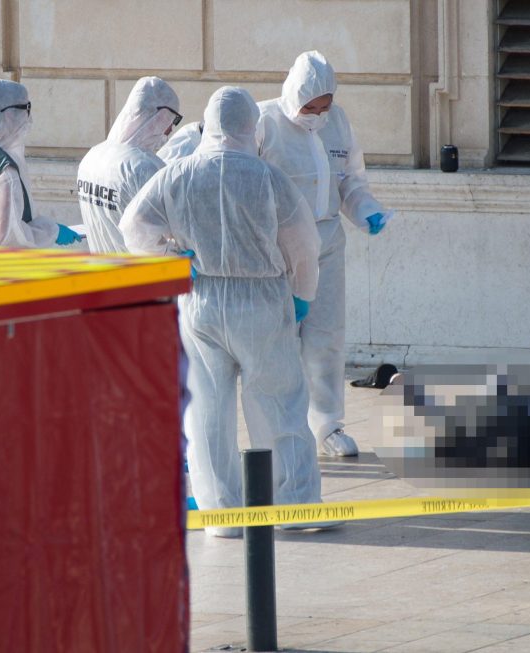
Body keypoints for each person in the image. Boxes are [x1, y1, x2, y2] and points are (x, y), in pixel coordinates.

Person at [120, 86, 326, 538]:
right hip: (263, 301)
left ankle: (223, 517)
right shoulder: (268, 177)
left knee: (208, 412)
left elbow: (133, 224)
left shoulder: (179, 173)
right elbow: (305, 248)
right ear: (251, 125)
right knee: (280, 405)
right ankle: (294, 506)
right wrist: (302, 295)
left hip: (201, 299)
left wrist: (170, 257)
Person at [256, 50, 393, 457]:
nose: (316, 114)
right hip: (277, 247)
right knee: (277, 339)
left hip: (327, 241)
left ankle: (327, 426)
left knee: (326, 336)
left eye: (323, 106)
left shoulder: (338, 123)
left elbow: (350, 179)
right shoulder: (264, 122)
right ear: (292, 95)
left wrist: (366, 211)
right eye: (309, 107)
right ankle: (282, 425)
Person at [0, 79, 81, 247]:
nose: (29, 117)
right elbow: (9, 239)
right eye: (26, 108)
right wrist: (52, 233)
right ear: (8, 114)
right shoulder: (4, 172)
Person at [76, 77, 180, 253]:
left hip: (100, 274)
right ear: (160, 117)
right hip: (137, 276)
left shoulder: (92, 156)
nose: (170, 130)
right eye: (173, 120)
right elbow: (159, 235)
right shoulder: (144, 167)